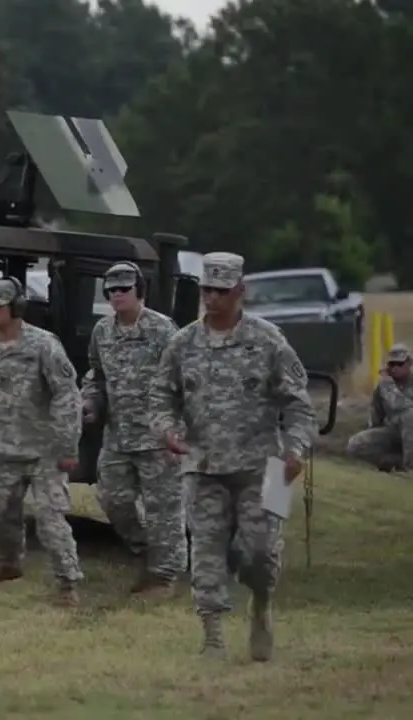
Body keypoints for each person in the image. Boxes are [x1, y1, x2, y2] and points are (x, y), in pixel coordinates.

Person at [149, 251, 317, 662]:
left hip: (269, 466)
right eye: (207, 289)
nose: (213, 299)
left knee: (261, 552)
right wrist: (167, 430)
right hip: (202, 465)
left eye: (222, 291)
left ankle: (261, 608)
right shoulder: (182, 343)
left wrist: (295, 450)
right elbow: (159, 397)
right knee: (205, 550)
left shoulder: (269, 339)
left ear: (240, 291)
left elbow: (299, 406)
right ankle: (213, 637)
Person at [0, 276, 85, 606]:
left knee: (50, 518)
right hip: (2, 447)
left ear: (15, 308)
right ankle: (8, 564)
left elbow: (67, 394)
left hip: (44, 450)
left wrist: (68, 444)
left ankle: (68, 584)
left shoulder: (43, 345)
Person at [82, 262, 184, 597]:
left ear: (139, 290)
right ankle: (147, 552)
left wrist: (175, 430)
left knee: (163, 509)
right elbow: (95, 376)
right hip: (119, 436)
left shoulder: (162, 330)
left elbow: (181, 381)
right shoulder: (102, 332)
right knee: (113, 498)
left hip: (157, 437)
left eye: (124, 288)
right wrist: (91, 404)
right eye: (111, 290)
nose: (117, 295)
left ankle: (164, 576)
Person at [346, 343, 413, 472]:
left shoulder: (389, 385)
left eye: (399, 364)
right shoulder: (383, 386)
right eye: (391, 364)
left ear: (409, 363)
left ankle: (411, 468)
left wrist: (389, 385)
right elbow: (377, 417)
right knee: (356, 444)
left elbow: (402, 406)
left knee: (410, 416)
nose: (394, 368)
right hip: (394, 433)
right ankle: (395, 463)